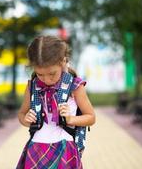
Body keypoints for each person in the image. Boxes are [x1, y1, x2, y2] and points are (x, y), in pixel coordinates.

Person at [16, 35, 96, 169]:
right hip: (36, 147)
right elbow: (21, 115)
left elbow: (91, 117)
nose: (46, 80)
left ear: (63, 62)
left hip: (65, 148)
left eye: (52, 74)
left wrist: (70, 118)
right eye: (40, 74)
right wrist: (26, 119)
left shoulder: (74, 86)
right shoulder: (33, 86)